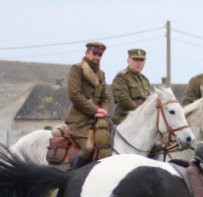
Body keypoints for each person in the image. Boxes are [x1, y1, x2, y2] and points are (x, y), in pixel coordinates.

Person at [65, 41, 112, 169]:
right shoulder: (77, 68)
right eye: (94, 53)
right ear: (87, 52)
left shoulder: (101, 74)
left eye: (100, 55)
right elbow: (74, 95)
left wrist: (103, 110)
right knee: (88, 147)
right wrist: (95, 109)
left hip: (97, 120)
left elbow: (106, 97)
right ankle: (71, 176)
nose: (97, 57)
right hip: (79, 121)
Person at [111, 48, 151, 123]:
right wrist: (140, 111)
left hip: (143, 119)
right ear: (128, 61)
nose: (138, 63)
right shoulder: (121, 77)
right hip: (125, 118)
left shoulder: (145, 80)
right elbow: (123, 99)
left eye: (141, 60)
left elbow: (149, 100)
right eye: (135, 60)